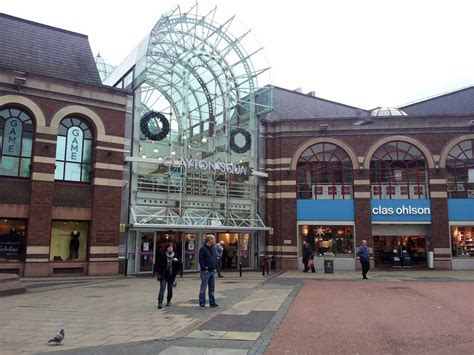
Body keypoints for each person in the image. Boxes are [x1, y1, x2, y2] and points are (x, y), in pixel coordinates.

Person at [154, 242, 180, 309]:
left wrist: (176, 261)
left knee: (170, 289)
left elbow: (178, 266)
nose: (170, 248)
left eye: (171, 247)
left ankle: (168, 301)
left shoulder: (175, 255)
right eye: (169, 247)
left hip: (171, 275)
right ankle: (160, 302)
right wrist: (158, 273)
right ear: (166, 248)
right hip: (163, 275)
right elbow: (158, 265)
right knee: (162, 288)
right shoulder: (162, 255)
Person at [198, 234, 219, 309]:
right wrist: (204, 268)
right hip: (205, 271)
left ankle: (212, 303)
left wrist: (215, 266)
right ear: (209, 240)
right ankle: (202, 304)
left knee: (212, 288)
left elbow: (215, 258)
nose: (214, 241)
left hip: (212, 271)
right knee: (203, 288)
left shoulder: (213, 248)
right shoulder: (203, 249)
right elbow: (201, 259)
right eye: (213, 239)